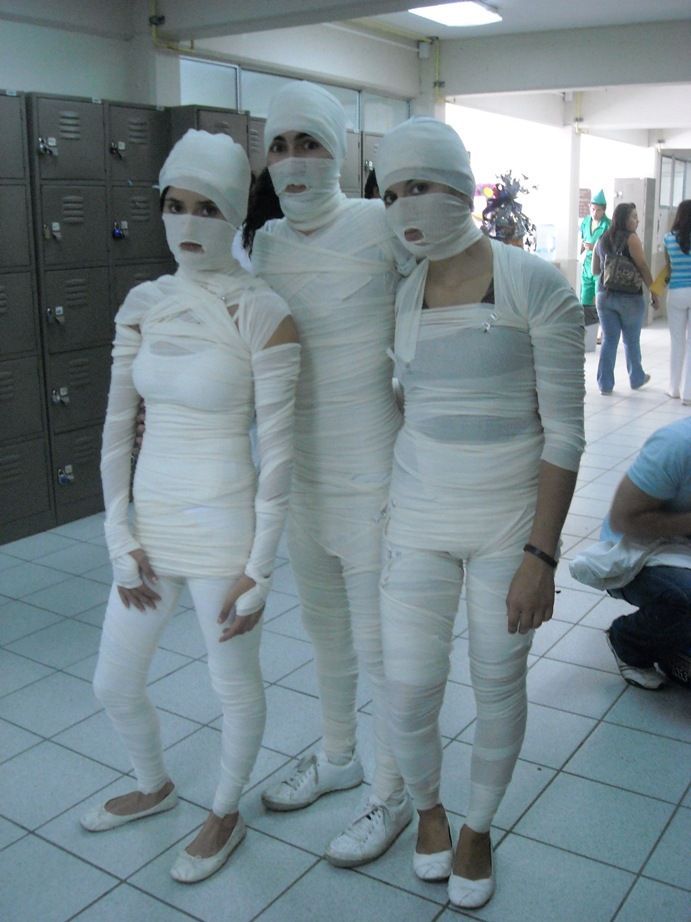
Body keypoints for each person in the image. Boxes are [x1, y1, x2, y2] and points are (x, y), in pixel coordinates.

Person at [375, 117, 585, 910]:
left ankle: (477, 825)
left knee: (497, 681)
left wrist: (541, 555)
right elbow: (409, 405)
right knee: (406, 686)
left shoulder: (532, 282)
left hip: (507, 527)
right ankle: (427, 809)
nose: (404, 207)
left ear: (461, 187)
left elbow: (565, 432)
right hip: (417, 520)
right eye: (391, 193)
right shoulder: (402, 291)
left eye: (419, 186)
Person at [81, 130, 300, 884]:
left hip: (223, 530)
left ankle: (225, 809)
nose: (186, 223)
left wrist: (261, 569)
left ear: (235, 215)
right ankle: (155, 784)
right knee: (113, 680)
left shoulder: (264, 312)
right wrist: (118, 532)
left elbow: (278, 453)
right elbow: (114, 431)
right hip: (150, 523)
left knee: (231, 683)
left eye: (206, 208)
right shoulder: (143, 302)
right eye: (173, 206)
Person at [251, 81, 415, 868]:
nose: (292, 162)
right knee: (324, 639)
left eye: (307, 143)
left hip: (373, 476)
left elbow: (439, 314)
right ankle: (339, 755)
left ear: (339, 151)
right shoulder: (269, 246)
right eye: (278, 146)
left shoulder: (380, 227)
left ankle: (393, 791)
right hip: (301, 482)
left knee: (382, 648)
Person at [570, 417, 691, 689]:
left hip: (682, 542)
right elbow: (624, 519)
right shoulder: (676, 445)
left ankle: (674, 641)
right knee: (683, 598)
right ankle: (628, 641)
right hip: (638, 548)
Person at [592, 201, 659, 395]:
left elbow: (596, 270)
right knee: (631, 340)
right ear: (623, 218)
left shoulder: (603, 238)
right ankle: (636, 377)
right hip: (629, 297)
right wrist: (654, 291)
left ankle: (605, 384)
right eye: (633, 217)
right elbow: (643, 267)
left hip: (604, 296)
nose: (637, 220)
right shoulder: (632, 239)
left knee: (609, 339)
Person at [663, 199, 691, 405]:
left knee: (677, 341)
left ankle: (673, 388)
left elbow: (668, 268)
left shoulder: (668, 239)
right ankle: (688, 393)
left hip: (676, 292)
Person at [579, 190, 610, 350]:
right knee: (584, 301)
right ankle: (586, 335)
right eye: (593, 208)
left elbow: (609, 248)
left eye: (598, 210)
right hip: (586, 267)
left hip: (600, 268)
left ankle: (602, 333)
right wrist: (583, 250)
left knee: (600, 303)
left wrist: (594, 248)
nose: (595, 212)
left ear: (604, 210)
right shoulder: (585, 222)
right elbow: (582, 240)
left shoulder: (608, 225)